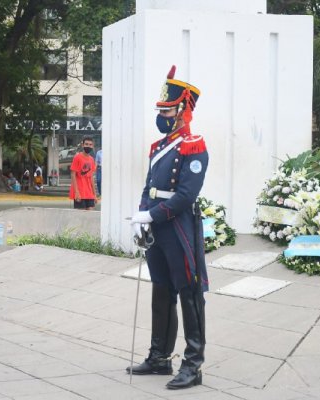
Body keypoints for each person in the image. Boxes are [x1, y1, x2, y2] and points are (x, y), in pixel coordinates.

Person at [128, 65, 209, 390]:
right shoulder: (159, 146)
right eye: (159, 110)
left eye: (166, 109)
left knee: (189, 293)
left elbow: (186, 194)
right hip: (157, 227)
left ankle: (193, 364)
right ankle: (159, 356)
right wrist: (140, 216)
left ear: (181, 110)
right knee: (161, 290)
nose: (161, 115)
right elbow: (150, 187)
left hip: (179, 227)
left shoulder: (194, 145)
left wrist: (152, 216)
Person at [69, 136, 98, 210]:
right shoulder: (77, 157)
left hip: (89, 193)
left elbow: (91, 177)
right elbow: (73, 175)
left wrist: (94, 194)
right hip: (80, 192)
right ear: (83, 145)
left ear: (93, 146)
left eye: (90, 144)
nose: (88, 146)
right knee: (80, 217)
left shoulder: (92, 159)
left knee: (90, 216)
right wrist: (76, 192)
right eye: (86, 144)